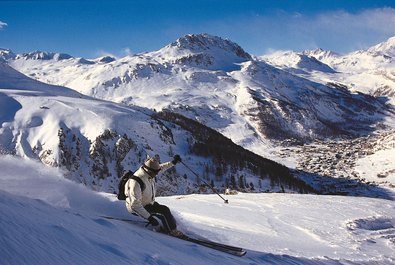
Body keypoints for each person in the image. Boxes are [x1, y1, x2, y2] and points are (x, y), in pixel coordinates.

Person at [124, 154, 182, 235]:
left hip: (147, 203)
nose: (157, 174)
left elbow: (160, 168)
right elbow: (135, 205)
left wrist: (172, 163)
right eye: (156, 172)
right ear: (150, 171)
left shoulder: (148, 172)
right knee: (164, 212)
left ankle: (170, 227)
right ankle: (173, 232)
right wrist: (150, 218)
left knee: (165, 210)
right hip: (137, 207)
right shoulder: (136, 182)